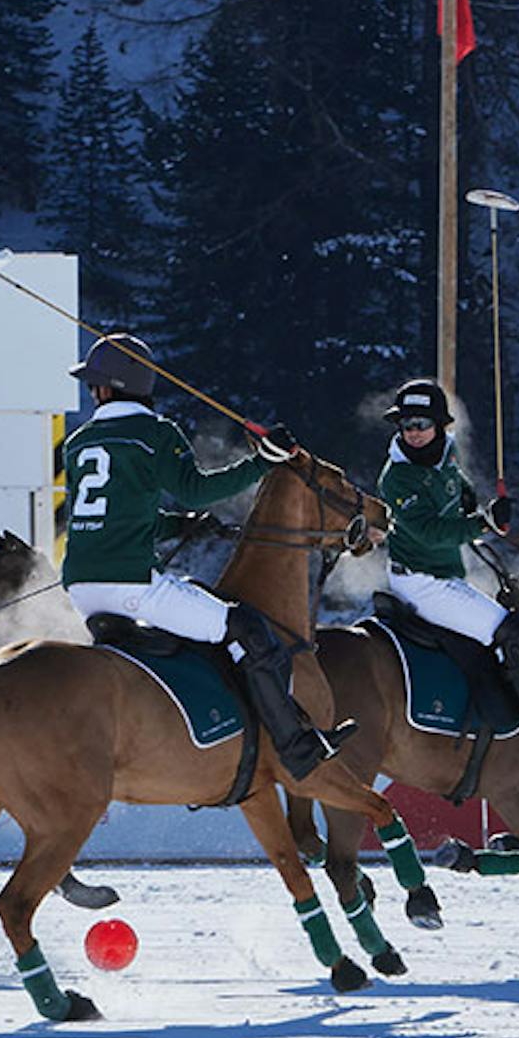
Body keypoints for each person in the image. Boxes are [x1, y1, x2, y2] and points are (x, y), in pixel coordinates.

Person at [60, 332, 353, 781]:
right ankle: (296, 747)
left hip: (82, 589)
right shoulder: (152, 433)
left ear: (106, 387)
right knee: (248, 627)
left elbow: (113, 518)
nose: (92, 391)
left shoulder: (79, 442)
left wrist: (178, 526)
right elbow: (196, 488)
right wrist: (262, 461)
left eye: (94, 383)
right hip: (131, 587)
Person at [377, 377, 519, 749]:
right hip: (420, 582)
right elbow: (429, 531)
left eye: (421, 424)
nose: (413, 432)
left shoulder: (445, 456)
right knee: (512, 631)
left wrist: (488, 511)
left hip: (447, 574)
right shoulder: (398, 477)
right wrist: (483, 524)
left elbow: (462, 498)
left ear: (439, 426)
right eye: (406, 424)